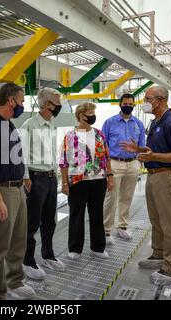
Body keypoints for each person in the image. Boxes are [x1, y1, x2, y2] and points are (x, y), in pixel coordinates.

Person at [121, 86, 171, 286]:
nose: (145, 102)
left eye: (147, 98)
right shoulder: (156, 121)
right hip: (153, 175)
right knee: (156, 220)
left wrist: (153, 156)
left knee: (169, 223)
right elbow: (155, 150)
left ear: (159, 99)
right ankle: (159, 255)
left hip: (166, 177)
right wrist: (140, 149)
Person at [0, 83, 36, 300]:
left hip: (17, 188)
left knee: (18, 241)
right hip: (3, 190)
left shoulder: (8, 125)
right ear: (11, 101)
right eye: (21, 101)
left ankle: (15, 281)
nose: (22, 105)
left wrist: (25, 180)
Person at [20, 88, 66, 280]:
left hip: (50, 177)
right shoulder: (29, 125)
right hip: (36, 178)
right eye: (57, 101)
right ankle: (27, 261)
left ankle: (48, 255)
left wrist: (56, 174)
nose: (59, 104)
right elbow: (21, 154)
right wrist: (26, 178)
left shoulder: (52, 124)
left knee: (49, 220)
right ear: (48, 104)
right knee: (32, 223)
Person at [59, 102, 113, 260]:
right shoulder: (70, 136)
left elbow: (106, 157)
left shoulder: (99, 134)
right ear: (81, 115)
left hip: (98, 180)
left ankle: (98, 247)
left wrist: (109, 177)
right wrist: (64, 183)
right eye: (90, 112)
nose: (92, 115)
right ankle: (75, 248)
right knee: (77, 214)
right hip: (77, 181)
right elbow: (63, 161)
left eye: (93, 112)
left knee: (97, 214)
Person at [102, 93, 145, 244]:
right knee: (111, 198)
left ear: (134, 105)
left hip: (133, 164)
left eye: (130, 104)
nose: (128, 106)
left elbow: (142, 146)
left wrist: (139, 160)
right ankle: (106, 230)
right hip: (115, 163)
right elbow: (103, 145)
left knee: (127, 197)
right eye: (125, 104)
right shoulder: (110, 122)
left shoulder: (138, 124)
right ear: (120, 104)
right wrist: (105, 168)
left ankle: (123, 226)